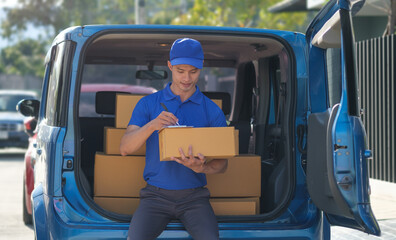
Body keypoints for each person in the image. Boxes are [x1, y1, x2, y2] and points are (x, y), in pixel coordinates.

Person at [120, 38, 228, 240]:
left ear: (201, 67)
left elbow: (223, 164)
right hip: (155, 197)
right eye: (180, 71)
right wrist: (152, 125)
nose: (186, 78)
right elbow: (125, 148)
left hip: (195, 198)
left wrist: (201, 168)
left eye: (193, 71)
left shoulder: (212, 110)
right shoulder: (148, 104)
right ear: (170, 66)